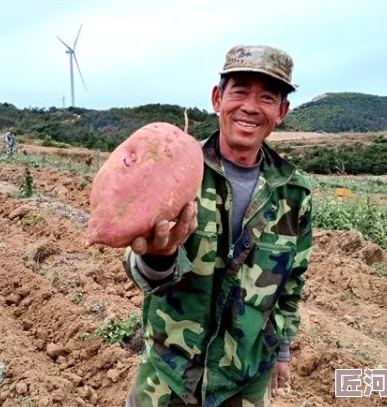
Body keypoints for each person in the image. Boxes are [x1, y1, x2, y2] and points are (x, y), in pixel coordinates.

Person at [123, 45, 313, 407]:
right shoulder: (177, 172)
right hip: (169, 375)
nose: (251, 107)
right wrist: (160, 258)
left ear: (282, 112)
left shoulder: (293, 192)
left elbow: (291, 281)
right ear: (217, 98)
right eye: (239, 91)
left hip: (245, 380)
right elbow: (139, 268)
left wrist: (283, 350)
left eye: (267, 98)